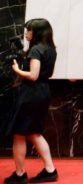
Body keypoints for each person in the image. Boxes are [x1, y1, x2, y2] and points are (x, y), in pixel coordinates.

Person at [5, 18, 58, 183]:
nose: (26, 33)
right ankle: (50, 170)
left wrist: (17, 70)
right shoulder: (50, 49)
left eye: (29, 30)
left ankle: (20, 174)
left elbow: (33, 75)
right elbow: (45, 74)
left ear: (37, 32)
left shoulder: (36, 50)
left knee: (20, 133)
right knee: (34, 133)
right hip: (43, 91)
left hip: (31, 94)